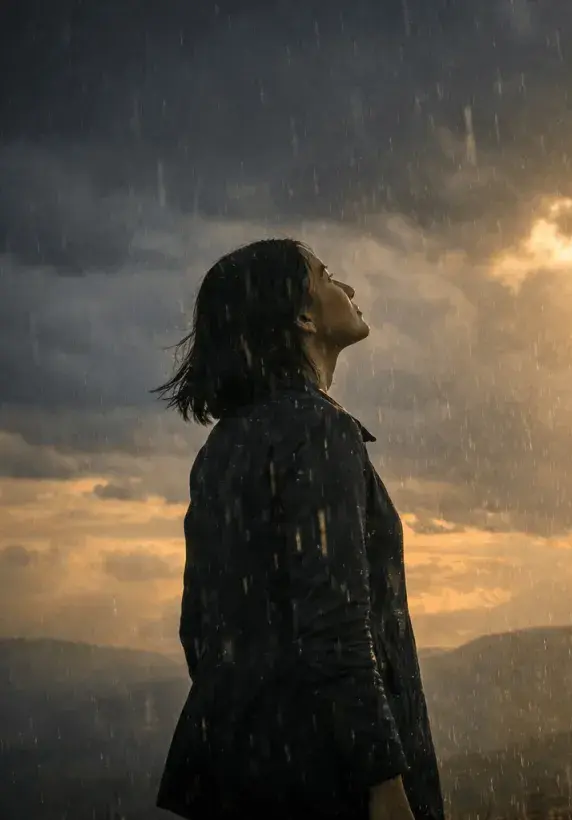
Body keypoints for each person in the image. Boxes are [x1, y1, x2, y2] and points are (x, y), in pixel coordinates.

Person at [152, 239, 444, 820]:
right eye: (328, 275)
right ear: (303, 316)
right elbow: (336, 623)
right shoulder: (320, 431)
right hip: (327, 780)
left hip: (239, 773)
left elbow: (200, 630)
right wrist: (383, 781)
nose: (350, 289)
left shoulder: (222, 446)